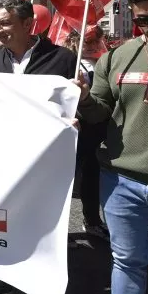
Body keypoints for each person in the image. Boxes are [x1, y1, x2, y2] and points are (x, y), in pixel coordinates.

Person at [74, 0, 148, 294]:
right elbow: (99, 112)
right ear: (134, 15)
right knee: (126, 263)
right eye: (146, 19)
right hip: (122, 182)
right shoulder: (117, 56)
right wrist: (84, 99)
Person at [0, 0, 77, 294]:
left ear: (27, 24)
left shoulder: (63, 59)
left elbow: (82, 105)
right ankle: (5, 276)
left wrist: (80, 109)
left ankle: (42, 290)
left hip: (48, 160)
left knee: (46, 221)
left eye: (4, 23)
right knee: (7, 217)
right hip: (6, 157)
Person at [63, 28, 110, 242]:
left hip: (99, 130)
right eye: (85, 41)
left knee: (93, 178)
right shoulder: (69, 63)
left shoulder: (105, 62)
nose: (90, 45)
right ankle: (56, 229)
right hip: (76, 130)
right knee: (65, 180)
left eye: (95, 40)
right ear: (74, 41)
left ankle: (92, 221)